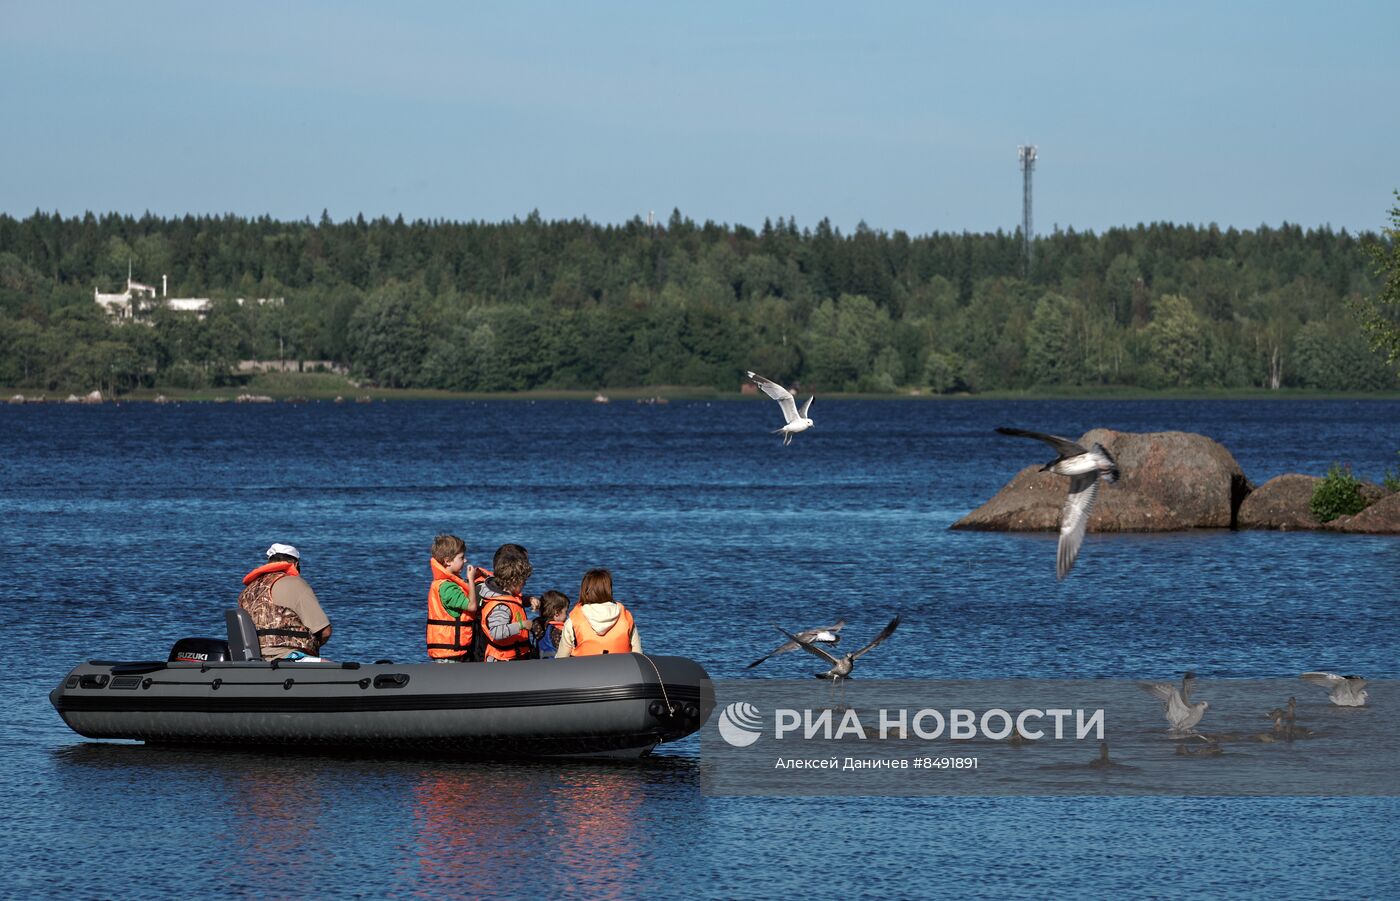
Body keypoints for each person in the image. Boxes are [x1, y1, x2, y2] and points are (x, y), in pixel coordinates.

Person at [237, 543, 332, 660]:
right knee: (336, 669)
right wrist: (312, 646)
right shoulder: (295, 583)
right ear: (295, 564)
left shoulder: (247, 590)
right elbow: (325, 632)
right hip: (287, 656)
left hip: (254, 658)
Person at [556, 568, 642, 658]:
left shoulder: (573, 622)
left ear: (585, 591)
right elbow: (639, 656)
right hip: (621, 670)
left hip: (583, 671)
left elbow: (560, 661)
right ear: (609, 590)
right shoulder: (627, 619)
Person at [426, 534, 480, 663]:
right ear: (447, 561)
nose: (465, 561)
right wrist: (471, 580)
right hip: (449, 655)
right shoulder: (447, 588)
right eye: (461, 558)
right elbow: (472, 606)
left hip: (453, 654)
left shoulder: (448, 583)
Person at [478, 543, 535, 662]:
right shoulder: (501, 607)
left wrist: (528, 600)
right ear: (514, 581)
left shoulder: (506, 596)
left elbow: (515, 602)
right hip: (501, 661)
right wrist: (522, 625)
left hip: (513, 657)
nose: (524, 585)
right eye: (523, 583)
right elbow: (496, 632)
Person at [532, 590, 569, 659]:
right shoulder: (558, 631)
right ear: (557, 613)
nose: (567, 615)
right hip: (557, 666)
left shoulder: (538, 625)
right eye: (566, 612)